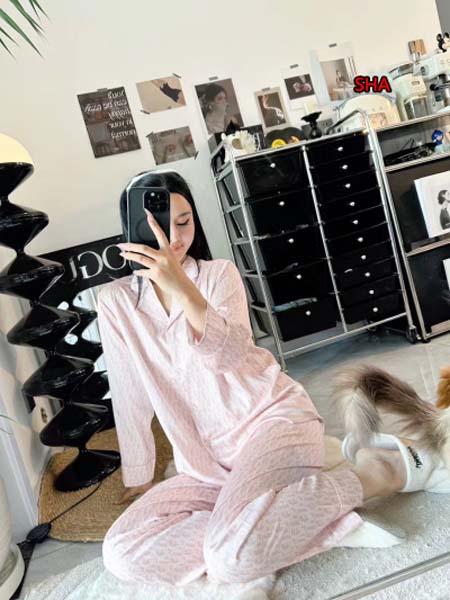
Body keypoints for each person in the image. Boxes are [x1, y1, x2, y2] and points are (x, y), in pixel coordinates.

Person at [98, 170, 411, 592]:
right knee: (121, 552)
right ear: (134, 226)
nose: (173, 236)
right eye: (158, 223)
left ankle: (373, 474)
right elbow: (128, 391)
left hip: (271, 424)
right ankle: (273, 527)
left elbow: (230, 356)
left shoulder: (218, 275)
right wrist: (139, 473)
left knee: (229, 557)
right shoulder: (115, 302)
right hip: (204, 464)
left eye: (184, 222)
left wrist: (183, 289)